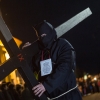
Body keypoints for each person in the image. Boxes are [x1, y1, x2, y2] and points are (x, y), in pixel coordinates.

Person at [22, 20, 82, 100]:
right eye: (41, 35)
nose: (43, 37)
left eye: (45, 34)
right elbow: (31, 72)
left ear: (51, 32)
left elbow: (65, 67)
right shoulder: (38, 54)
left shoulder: (62, 45)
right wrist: (26, 55)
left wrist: (46, 85)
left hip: (69, 96)